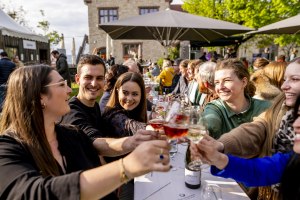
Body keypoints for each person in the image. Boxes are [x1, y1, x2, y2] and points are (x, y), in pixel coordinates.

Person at [0, 65, 171, 200]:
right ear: (40, 97)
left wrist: (132, 142)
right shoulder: (7, 149)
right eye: (61, 84)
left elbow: (95, 144)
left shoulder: (70, 135)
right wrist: (126, 167)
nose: (69, 90)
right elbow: (35, 192)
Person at [192, 58, 300, 199]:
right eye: (285, 79)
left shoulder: (267, 104)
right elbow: (258, 130)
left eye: (294, 79)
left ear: (244, 82)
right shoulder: (280, 104)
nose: (284, 86)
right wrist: (219, 150)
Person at [203, 59, 271, 139]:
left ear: (244, 82)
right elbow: (209, 123)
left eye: (227, 80)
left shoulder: (266, 107)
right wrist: (204, 132)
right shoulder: (214, 108)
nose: (220, 87)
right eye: (217, 82)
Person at [102, 72, 147, 138]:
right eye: (125, 93)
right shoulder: (111, 113)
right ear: (117, 92)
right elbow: (129, 125)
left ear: (141, 95)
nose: (129, 98)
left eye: (135, 94)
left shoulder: (136, 111)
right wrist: (153, 127)